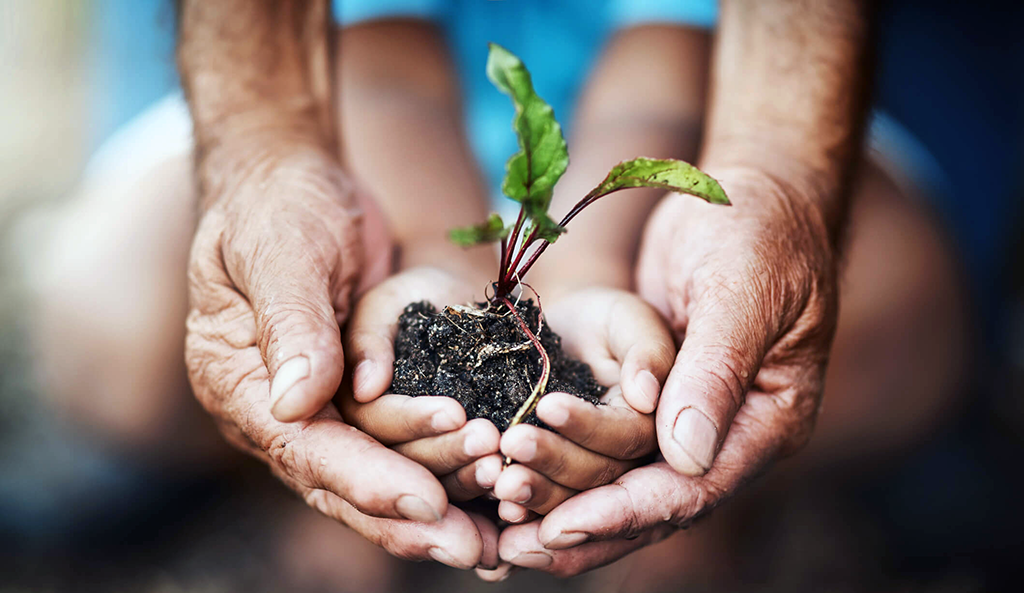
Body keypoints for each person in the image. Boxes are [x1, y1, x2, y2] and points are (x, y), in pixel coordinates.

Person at [30, 0, 967, 586]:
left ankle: (712, 506)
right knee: (121, 320)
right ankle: (311, 485)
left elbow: (665, 73)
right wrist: (428, 256)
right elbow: (375, 66)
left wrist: (590, 273)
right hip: (343, 137)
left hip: (691, 140)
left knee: (892, 317)